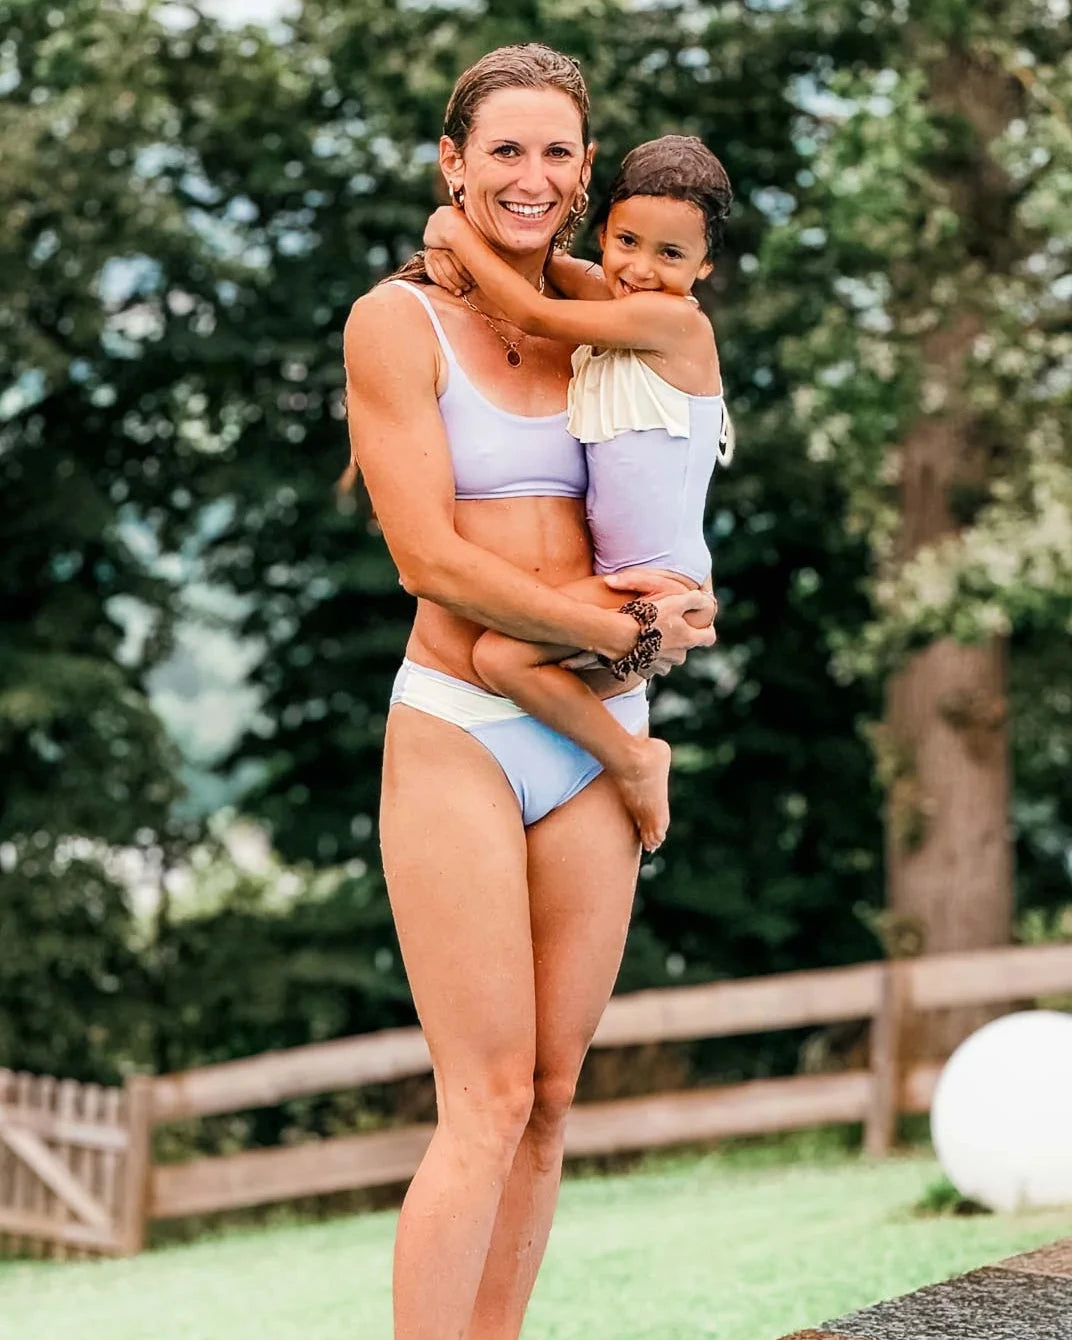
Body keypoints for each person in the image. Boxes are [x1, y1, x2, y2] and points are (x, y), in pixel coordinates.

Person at [342, 44, 716, 1340]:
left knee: (553, 1095)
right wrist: (617, 632)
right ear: (453, 163)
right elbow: (429, 561)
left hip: (599, 721)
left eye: (557, 151)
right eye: (504, 149)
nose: (532, 175)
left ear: (586, 170)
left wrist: (668, 617)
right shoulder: (395, 323)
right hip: (462, 721)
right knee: (488, 1096)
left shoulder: (606, 307)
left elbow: (668, 477)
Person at [421, 134, 734, 851]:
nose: (641, 269)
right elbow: (543, 270)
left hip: (656, 578)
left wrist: (453, 232)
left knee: (500, 659)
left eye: (671, 255)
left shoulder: (672, 321)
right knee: (528, 668)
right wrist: (468, 239)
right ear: (604, 234)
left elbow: (533, 313)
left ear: (704, 267)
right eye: (626, 241)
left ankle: (635, 759)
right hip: (631, 573)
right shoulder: (622, 298)